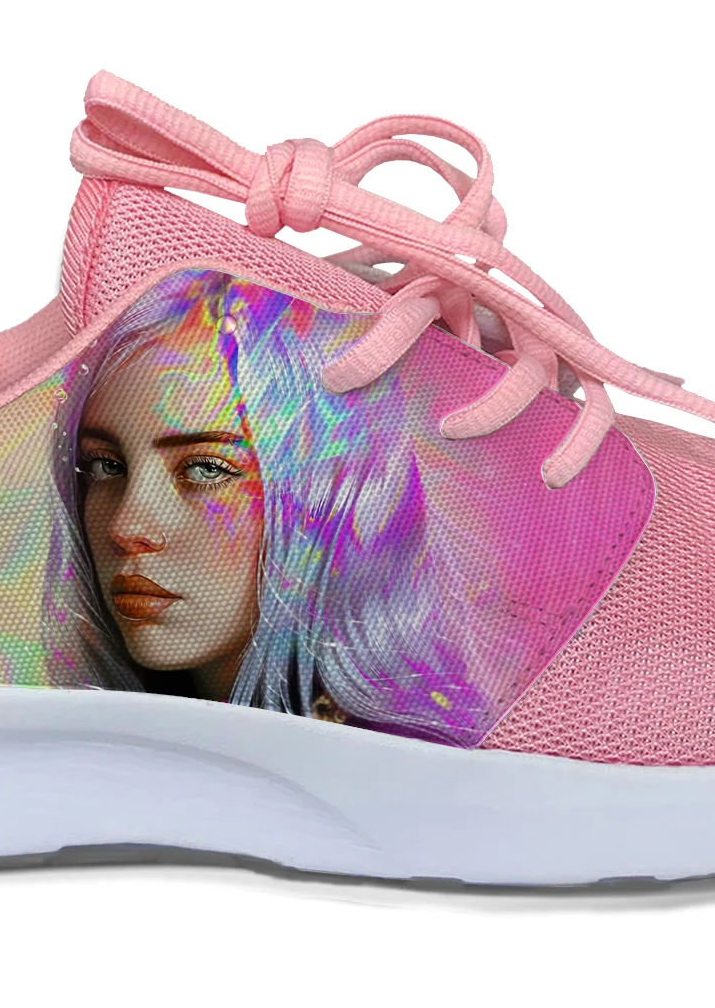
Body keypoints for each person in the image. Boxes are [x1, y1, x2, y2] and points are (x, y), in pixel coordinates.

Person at [45, 270, 493, 741]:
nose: (126, 526)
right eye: (105, 466)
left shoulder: (407, 752)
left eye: (207, 469)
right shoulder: (101, 725)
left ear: (332, 496)